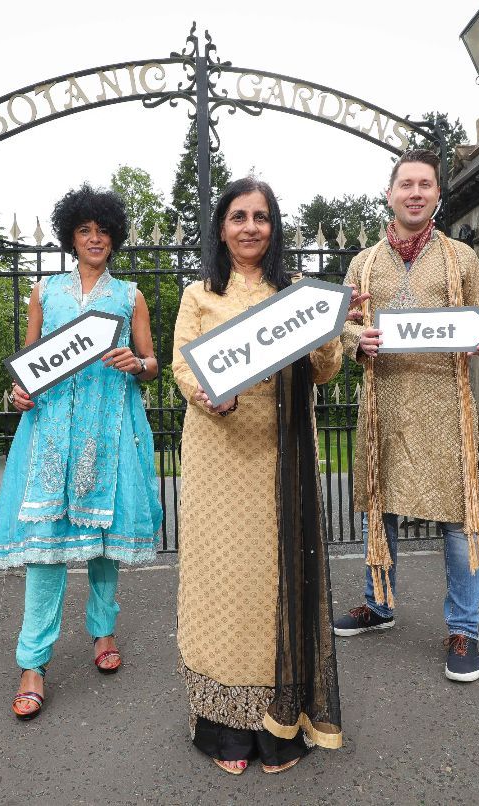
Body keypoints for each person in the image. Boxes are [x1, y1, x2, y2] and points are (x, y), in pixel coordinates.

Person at [172, 177, 353, 776]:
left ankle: (282, 723)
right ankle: (225, 727)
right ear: (221, 227)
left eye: (262, 217)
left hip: (284, 456)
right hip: (219, 455)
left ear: (274, 228)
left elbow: (325, 371)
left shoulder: (294, 295)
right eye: (239, 216)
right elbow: (182, 365)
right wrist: (206, 396)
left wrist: (331, 332)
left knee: (277, 579)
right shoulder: (199, 293)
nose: (251, 227)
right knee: (223, 581)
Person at [0, 184, 163, 720]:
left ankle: (103, 631)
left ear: (114, 239)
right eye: (85, 231)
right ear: (71, 236)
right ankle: (31, 662)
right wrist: (16, 392)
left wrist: (137, 364)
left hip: (109, 425)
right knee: (46, 546)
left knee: (105, 541)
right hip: (51, 430)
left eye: (103, 231)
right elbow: (29, 361)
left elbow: (153, 361)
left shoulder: (129, 294)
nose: (94, 239)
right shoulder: (44, 291)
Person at [332, 149, 479, 684]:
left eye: (425, 184)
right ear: (389, 193)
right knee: (378, 511)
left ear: (436, 195)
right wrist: (361, 338)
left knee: (457, 519)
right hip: (384, 404)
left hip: (445, 405)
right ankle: (378, 604)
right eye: (406, 184)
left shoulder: (461, 259)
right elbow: (341, 326)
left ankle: (464, 629)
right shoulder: (363, 263)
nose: (415, 193)